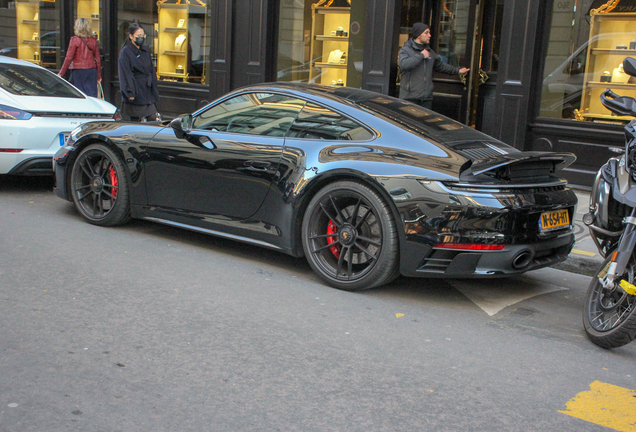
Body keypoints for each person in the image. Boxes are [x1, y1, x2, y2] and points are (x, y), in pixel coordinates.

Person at [398, 23, 469, 110]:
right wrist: (421, 55)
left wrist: (458, 71)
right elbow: (404, 64)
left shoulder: (430, 52)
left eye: (429, 32)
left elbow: (441, 66)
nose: (430, 35)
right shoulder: (406, 50)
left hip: (426, 99)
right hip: (409, 99)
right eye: (426, 33)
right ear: (418, 34)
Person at [118, 23, 159, 122]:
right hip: (135, 89)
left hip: (147, 89)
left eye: (143, 35)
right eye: (138, 36)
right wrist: (129, 92)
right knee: (135, 119)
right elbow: (125, 74)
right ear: (131, 36)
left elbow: (151, 70)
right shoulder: (126, 52)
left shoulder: (145, 50)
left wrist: (154, 87)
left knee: (152, 117)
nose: (141, 38)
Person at [58, 18, 101, 97]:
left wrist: (61, 73)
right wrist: (99, 75)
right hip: (91, 70)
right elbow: (97, 59)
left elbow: (68, 58)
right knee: (92, 94)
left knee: (80, 94)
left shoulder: (75, 40)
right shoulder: (93, 40)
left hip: (79, 71)